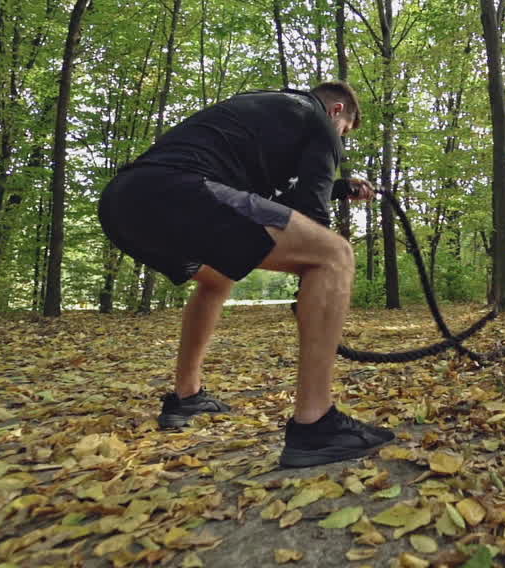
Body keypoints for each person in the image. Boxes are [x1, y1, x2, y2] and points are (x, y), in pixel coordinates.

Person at [98, 80, 394, 468]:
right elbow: (311, 217)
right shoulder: (320, 122)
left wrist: (337, 188)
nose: (340, 141)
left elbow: (262, 208)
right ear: (337, 112)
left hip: (127, 202)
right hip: (182, 191)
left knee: (217, 278)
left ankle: (186, 397)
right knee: (333, 254)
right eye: (344, 133)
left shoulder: (264, 107)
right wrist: (315, 266)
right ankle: (316, 423)